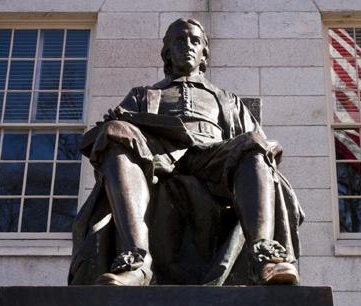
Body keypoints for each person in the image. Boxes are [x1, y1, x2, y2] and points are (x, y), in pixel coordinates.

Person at [68, 18, 303, 286]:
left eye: (195, 40)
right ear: (167, 52)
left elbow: (257, 140)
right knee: (115, 132)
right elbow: (108, 136)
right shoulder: (143, 95)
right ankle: (136, 261)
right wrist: (115, 125)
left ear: (204, 52)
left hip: (213, 157)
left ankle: (264, 258)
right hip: (157, 158)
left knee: (253, 143)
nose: (187, 46)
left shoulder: (227, 99)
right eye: (179, 40)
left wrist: (270, 146)